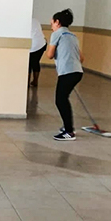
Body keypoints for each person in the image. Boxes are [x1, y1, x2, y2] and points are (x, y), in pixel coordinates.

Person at [47, 8, 84, 141]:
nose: (51, 26)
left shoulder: (56, 34)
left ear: (57, 22)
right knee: (63, 98)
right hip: (77, 71)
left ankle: (69, 131)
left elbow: (50, 55)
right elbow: (81, 58)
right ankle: (68, 127)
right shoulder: (73, 36)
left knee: (60, 100)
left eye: (52, 23)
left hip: (67, 72)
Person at [29, 17, 47, 87]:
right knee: (35, 62)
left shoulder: (25, 21)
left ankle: (27, 83)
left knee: (29, 64)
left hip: (33, 45)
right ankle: (35, 81)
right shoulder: (35, 20)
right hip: (42, 44)